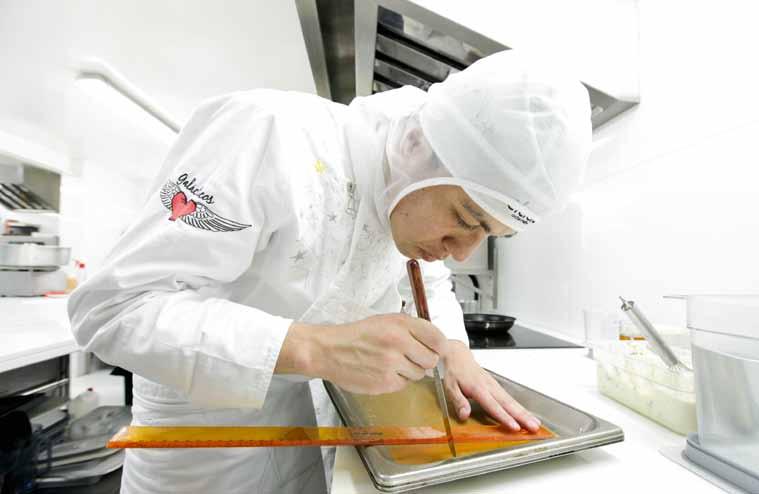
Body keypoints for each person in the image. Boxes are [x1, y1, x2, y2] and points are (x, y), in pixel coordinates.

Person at [68, 49, 591, 493]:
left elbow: (430, 281)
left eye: (489, 234)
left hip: (320, 452)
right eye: (465, 218)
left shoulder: (410, 202)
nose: (461, 252)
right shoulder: (265, 134)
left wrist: (454, 350)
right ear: (417, 149)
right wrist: (314, 348)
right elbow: (113, 310)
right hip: (205, 463)